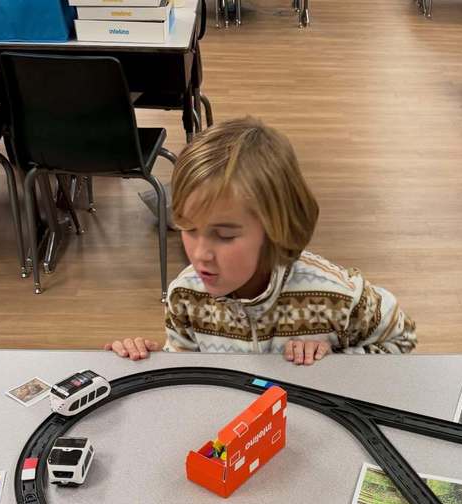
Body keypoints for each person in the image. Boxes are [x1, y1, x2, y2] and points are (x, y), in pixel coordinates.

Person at [106, 118, 416, 364]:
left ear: (275, 227)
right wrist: (151, 363)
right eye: (188, 229)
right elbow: (189, 370)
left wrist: (334, 365)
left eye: (224, 235)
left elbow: (401, 340)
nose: (200, 255)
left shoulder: (339, 295)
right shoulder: (185, 296)